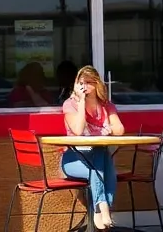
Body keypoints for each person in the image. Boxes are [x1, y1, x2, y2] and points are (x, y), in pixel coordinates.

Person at [60, 66, 125, 230]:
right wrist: (81, 102)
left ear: (98, 85)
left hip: (98, 160)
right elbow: (78, 130)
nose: (84, 87)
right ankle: (104, 206)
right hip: (73, 160)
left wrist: (110, 126)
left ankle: (99, 207)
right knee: (100, 164)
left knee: (100, 155)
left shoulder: (106, 106)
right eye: (81, 83)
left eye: (89, 82)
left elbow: (120, 130)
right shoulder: (70, 105)